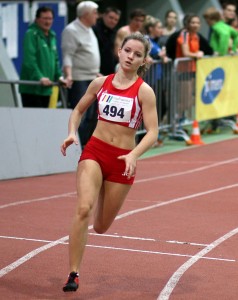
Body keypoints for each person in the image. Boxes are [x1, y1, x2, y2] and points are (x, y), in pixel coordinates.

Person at [60, 33, 158, 293]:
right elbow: (79, 110)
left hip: (122, 161)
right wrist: (72, 132)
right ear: (119, 51)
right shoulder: (100, 83)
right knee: (83, 208)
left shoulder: (144, 92)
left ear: (143, 60)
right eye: (127, 50)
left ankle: (102, 188)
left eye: (137, 54)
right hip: (95, 151)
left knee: (101, 226)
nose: (130, 56)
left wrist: (134, 154)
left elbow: (153, 131)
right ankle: (73, 273)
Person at [61, 1, 101, 148]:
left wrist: (94, 70)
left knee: (93, 116)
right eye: (95, 13)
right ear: (86, 15)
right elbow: (68, 55)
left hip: (92, 77)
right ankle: (76, 146)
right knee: (81, 114)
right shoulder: (71, 30)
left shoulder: (89, 29)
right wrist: (69, 75)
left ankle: (85, 145)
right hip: (79, 79)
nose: (97, 16)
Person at [19, 6, 68, 108]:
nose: (47, 21)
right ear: (37, 19)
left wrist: (59, 77)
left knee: (43, 121)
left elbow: (55, 60)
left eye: (50, 18)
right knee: (32, 121)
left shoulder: (52, 35)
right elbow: (29, 60)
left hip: (46, 88)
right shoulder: (31, 34)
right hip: (33, 88)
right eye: (44, 18)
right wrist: (39, 77)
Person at [93, 7, 121, 75]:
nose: (113, 21)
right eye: (111, 18)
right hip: (96, 70)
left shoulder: (114, 33)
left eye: (116, 20)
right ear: (104, 16)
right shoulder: (94, 29)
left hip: (110, 70)